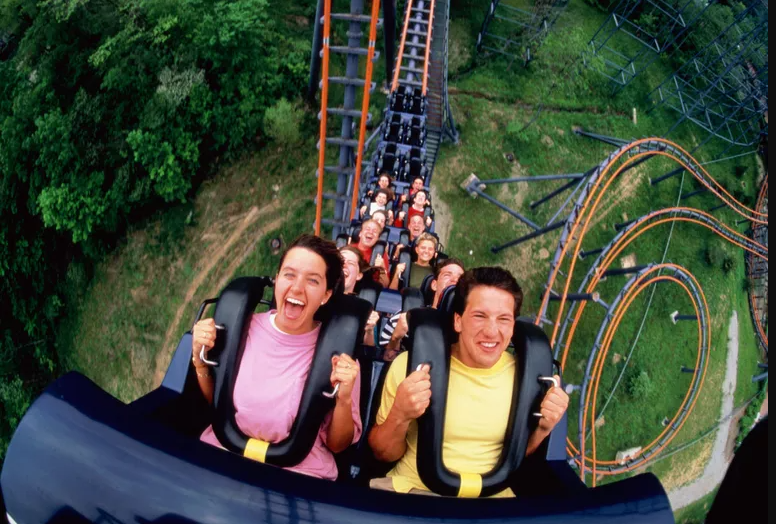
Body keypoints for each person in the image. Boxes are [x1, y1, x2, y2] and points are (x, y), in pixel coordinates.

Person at [368, 267, 569, 497]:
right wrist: (400, 414)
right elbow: (382, 454)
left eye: (503, 319)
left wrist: (542, 430)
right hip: (417, 491)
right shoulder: (409, 366)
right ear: (458, 321)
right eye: (479, 316)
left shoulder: (529, 377)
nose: (492, 331)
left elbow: (518, 456)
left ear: (513, 327)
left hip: (492, 500)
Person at [191, 234, 362, 481]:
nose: (297, 288)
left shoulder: (339, 356)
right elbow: (216, 403)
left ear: (326, 295)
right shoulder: (238, 329)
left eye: (312, 281)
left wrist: (344, 399)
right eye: (289, 275)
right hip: (224, 454)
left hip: (297, 473)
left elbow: (338, 445)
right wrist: (199, 359)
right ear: (278, 279)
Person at [380, 258, 465, 360]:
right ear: (434, 284)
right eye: (447, 275)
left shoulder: (467, 326)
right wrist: (395, 338)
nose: (454, 280)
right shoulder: (402, 318)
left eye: (460, 278)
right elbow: (385, 360)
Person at [340, 245, 380, 346]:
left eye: (351, 263)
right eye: (341, 260)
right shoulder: (317, 298)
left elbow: (369, 350)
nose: (344, 264)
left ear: (359, 275)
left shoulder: (363, 309)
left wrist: (369, 330)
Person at [352, 219, 390, 288]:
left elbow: (385, 285)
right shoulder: (349, 249)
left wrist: (382, 269)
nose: (370, 232)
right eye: (367, 229)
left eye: (374, 231)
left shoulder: (381, 254)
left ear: (377, 238)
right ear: (360, 233)